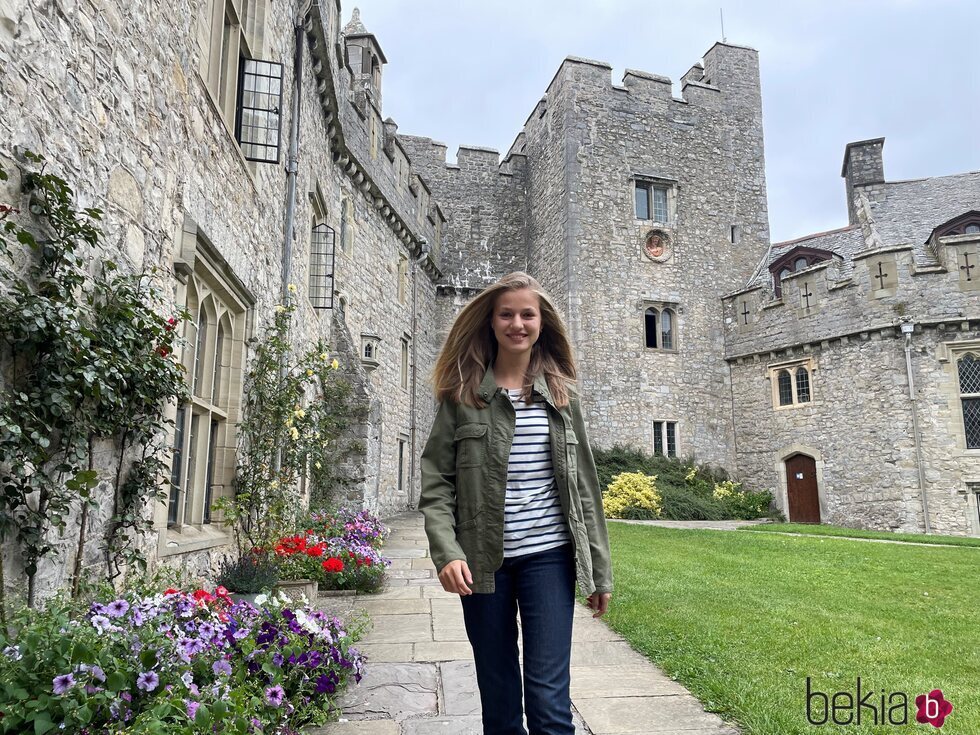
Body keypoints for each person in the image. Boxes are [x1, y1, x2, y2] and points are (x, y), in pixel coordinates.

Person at [419, 271, 613, 735]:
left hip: (549, 560)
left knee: (549, 703)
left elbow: (585, 485)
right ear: (491, 322)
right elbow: (436, 483)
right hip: (484, 563)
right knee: (500, 699)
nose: (517, 323)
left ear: (542, 323)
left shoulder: (562, 398)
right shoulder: (463, 398)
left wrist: (599, 571)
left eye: (528, 314)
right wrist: (448, 552)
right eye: (506, 314)